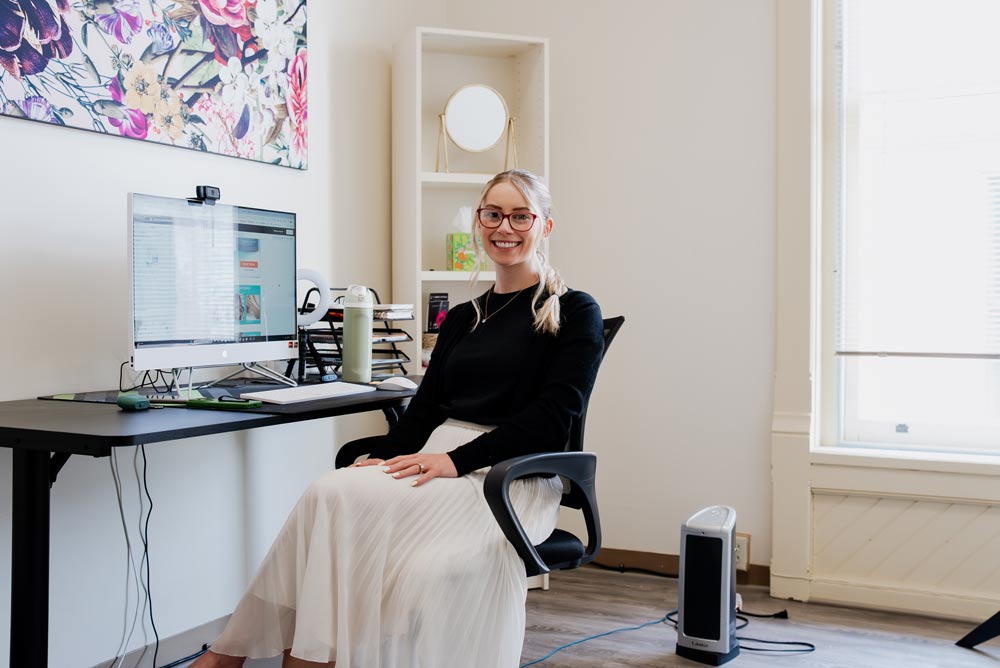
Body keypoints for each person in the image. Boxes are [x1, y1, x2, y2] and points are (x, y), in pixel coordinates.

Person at [193, 169, 605, 668]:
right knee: (332, 491)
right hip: (437, 460)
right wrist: (382, 454)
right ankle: (256, 657)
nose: (505, 227)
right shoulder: (463, 317)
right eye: (493, 214)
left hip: (510, 474)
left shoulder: (573, 310)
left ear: (545, 226)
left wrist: (455, 460)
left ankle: (256, 659)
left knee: (413, 562)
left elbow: (552, 418)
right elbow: (425, 411)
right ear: (479, 221)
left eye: (521, 216)